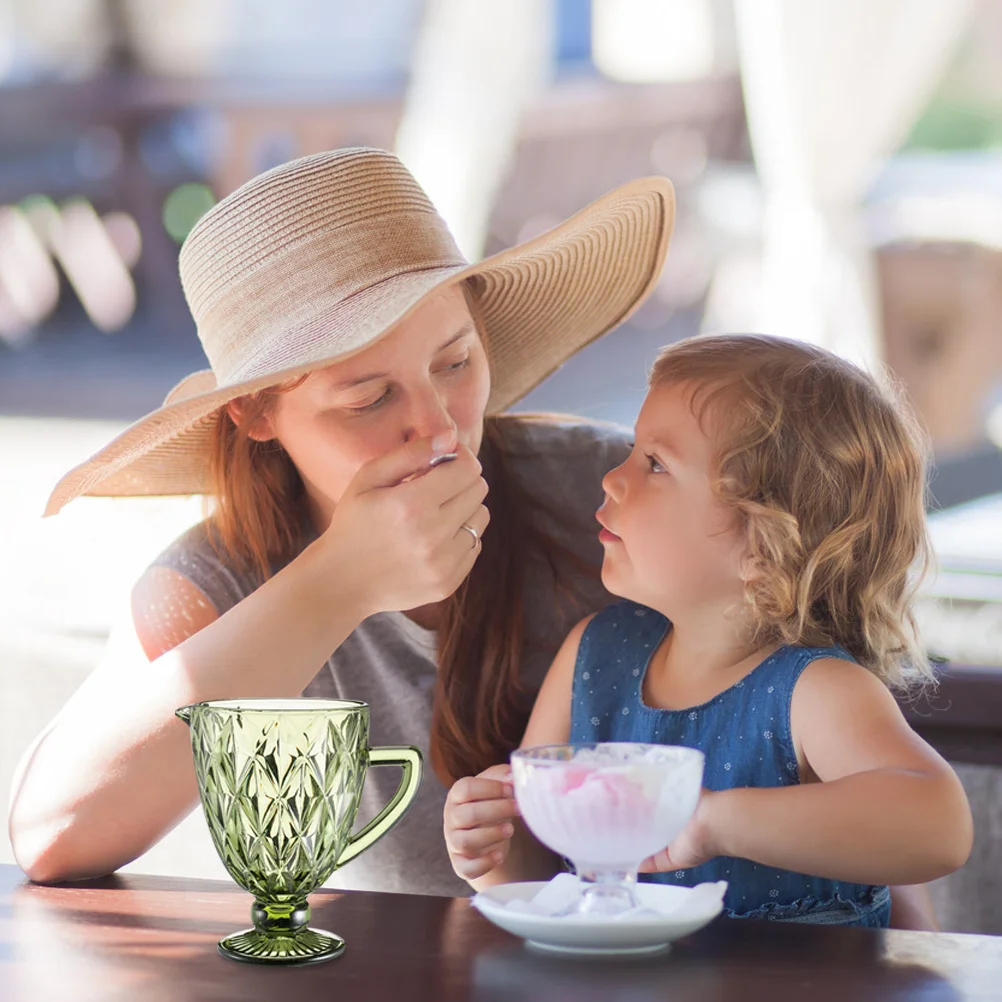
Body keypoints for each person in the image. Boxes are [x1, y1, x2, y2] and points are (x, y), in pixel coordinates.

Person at [7, 148, 676, 897]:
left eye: (454, 363)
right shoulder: (218, 578)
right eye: (368, 400)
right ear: (257, 412)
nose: (437, 428)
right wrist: (340, 582)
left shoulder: (607, 490)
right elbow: (52, 834)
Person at [443, 334, 973, 927]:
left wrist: (714, 822)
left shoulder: (815, 691)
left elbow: (939, 827)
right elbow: (550, 880)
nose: (613, 479)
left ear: (768, 545)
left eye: (655, 464)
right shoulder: (594, 656)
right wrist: (495, 849)